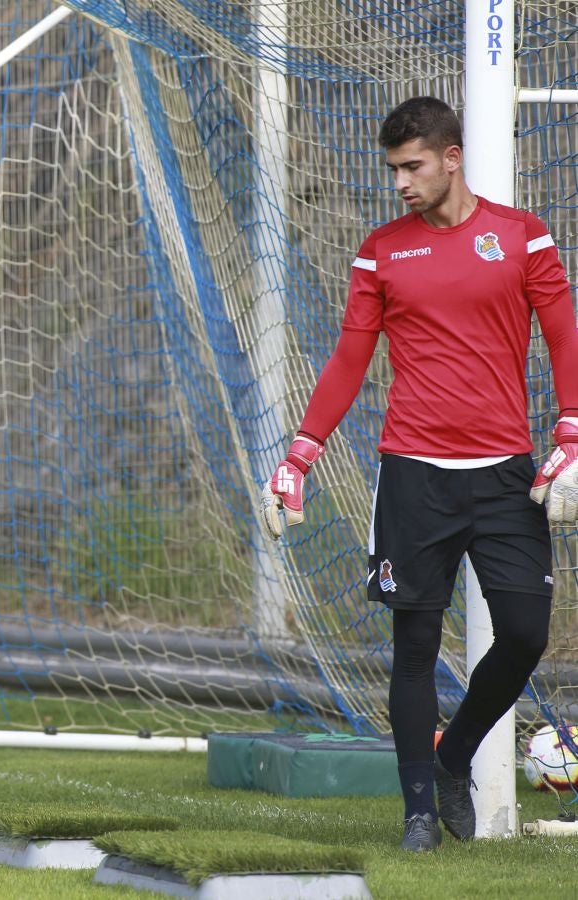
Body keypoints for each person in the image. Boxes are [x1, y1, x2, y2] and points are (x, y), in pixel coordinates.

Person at [260, 96, 577, 851]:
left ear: (452, 157)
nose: (401, 182)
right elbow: (348, 358)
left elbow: (565, 336)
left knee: (527, 634)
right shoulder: (380, 250)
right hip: (412, 474)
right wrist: (301, 452)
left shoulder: (521, 237)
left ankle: (454, 753)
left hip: (505, 474)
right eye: (394, 169)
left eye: (414, 166)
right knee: (413, 646)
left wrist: (572, 428)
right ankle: (418, 817)